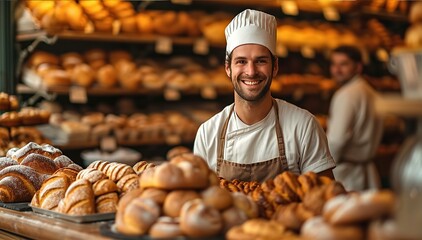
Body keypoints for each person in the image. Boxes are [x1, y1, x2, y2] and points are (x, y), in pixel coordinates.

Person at [193, 9, 335, 183]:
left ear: (275, 66)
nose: (251, 72)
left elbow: (323, 197)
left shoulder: (303, 126)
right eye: (241, 61)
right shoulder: (208, 133)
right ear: (228, 68)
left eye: (260, 61)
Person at [327, 45, 383, 191]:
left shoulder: (346, 94)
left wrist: (323, 167)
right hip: (367, 170)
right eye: (334, 64)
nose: (337, 70)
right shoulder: (371, 92)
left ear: (358, 67)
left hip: (347, 175)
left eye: (344, 64)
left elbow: (337, 139)